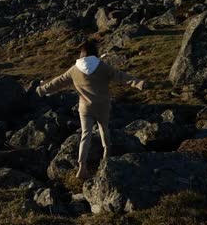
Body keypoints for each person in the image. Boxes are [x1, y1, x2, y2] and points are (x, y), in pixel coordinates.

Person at [36, 40, 146, 179]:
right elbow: (120, 76)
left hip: (85, 108)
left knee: (85, 135)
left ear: (82, 54)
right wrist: (138, 83)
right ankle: (106, 154)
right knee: (104, 128)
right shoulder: (102, 66)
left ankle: (82, 166)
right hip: (102, 105)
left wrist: (41, 90)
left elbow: (58, 82)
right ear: (95, 53)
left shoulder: (74, 70)